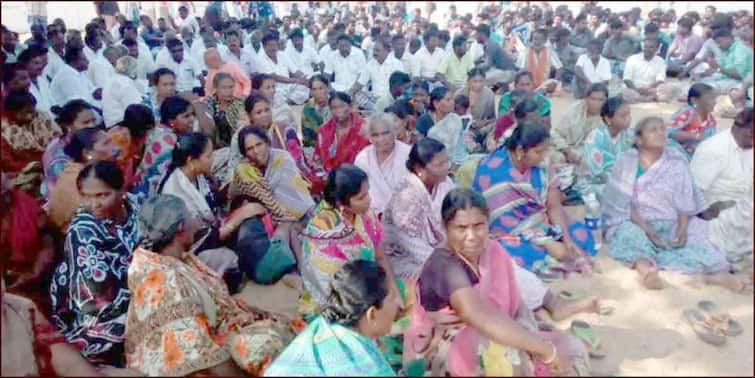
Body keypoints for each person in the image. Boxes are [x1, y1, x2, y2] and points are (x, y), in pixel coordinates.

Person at [403, 188, 590, 376]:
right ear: (446, 227)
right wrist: (545, 351)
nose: (471, 236)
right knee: (500, 357)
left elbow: (514, 305)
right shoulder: (443, 264)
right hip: (446, 347)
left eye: (478, 226)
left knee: (572, 348)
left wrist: (530, 337)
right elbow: (477, 315)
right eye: (461, 228)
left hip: (494, 330)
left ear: (487, 222)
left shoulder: (492, 251)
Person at [124, 194, 297, 376]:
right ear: (181, 228)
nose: (196, 223)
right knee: (265, 346)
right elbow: (200, 352)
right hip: (199, 366)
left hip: (216, 334)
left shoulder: (163, 259)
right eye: (191, 218)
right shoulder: (168, 282)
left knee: (275, 326)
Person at [602, 116, 748, 292]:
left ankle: (713, 276)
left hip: (671, 221)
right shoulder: (626, 162)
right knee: (628, 235)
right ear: (639, 139)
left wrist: (682, 228)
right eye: (653, 130)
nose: (660, 133)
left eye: (662, 129)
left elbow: (684, 199)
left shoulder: (676, 160)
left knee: (702, 235)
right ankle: (647, 271)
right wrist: (648, 230)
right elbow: (623, 204)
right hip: (637, 221)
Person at [473, 122, 596, 278]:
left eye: (545, 151)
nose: (544, 156)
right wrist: (544, 241)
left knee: (579, 237)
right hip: (507, 233)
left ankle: (561, 255)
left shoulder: (542, 165)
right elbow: (496, 223)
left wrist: (566, 239)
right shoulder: (491, 171)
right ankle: (555, 258)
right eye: (539, 152)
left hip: (541, 221)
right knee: (507, 253)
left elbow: (553, 206)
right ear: (519, 151)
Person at [49, 161, 139, 367]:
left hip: (138, 287)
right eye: (86, 196)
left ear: (122, 190)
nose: (93, 204)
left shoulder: (134, 208)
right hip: (95, 310)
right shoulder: (82, 229)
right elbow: (93, 299)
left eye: (102, 195)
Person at [265, 260, 399, 376]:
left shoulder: (321, 328)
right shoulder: (370, 367)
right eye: (392, 298)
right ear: (372, 314)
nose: (398, 304)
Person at [300, 164, 399, 314]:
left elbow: (380, 257)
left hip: (366, 284)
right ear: (341, 204)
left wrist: (393, 291)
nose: (369, 200)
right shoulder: (324, 231)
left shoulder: (365, 215)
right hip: (339, 297)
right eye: (361, 197)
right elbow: (332, 287)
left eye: (367, 193)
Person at [229, 126, 315, 283]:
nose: (256, 151)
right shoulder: (245, 170)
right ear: (244, 153)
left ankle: (302, 273)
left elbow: (297, 196)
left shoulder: (282, 159)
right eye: (249, 148)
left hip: (291, 216)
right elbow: (258, 199)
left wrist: (287, 217)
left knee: (294, 229)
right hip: (259, 218)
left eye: (259, 144)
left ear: (267, 142)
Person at [691, 107, 753, 275]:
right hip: (720, 218)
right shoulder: (713, 149)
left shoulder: (749, 148)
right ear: (747, 132)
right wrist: (715, 210)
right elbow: (694, 194)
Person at [382, 137, 454, 279]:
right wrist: (450, 262)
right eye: (439, 164)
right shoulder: (406, 196)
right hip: (404, 260)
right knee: (450, 276)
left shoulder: (445, 183)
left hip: (439, 250)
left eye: (447, 161)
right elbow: (415, 248)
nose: (446, 167)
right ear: (419, 169)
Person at [48, 127, 119, 231]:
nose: (115, 147)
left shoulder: (83, 170)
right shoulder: (79, 179)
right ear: (87, 154)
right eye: (106, 143)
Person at [135, 96, 195, 198]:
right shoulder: (167, 142)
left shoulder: (163, 131)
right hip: (153, 196)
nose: (192, 119)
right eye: (186, 116)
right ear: (171, 120)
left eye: (192, 115)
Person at [1, 91, 61, 193]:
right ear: (12, 112)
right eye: (25, 113)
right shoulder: (4, 130)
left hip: (53, 163)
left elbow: (58, 141)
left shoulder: (42, 117)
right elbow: (7, 163)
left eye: (32, 112)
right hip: (22, 172)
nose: (30, 116)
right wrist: (32, 165)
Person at [354, 113, 412, 216]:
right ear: (369, 137)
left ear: (394, 133)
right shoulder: (363, 159)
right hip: (373, 217)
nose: (381, 139)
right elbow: (359, 194)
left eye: (385, 133)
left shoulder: (408, 154)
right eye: (375, 135)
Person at [583, 96, 634, 198]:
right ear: (608, 119)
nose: (628, 118)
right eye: (623, 116)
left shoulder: (627, 134)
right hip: (598, 183)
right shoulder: (596, 138)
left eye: (629, 114)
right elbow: (596, 174)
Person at [551, 83, 609, 168]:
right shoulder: (575, 110)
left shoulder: (609, 116)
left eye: (601, 100)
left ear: (606, 100)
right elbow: (556, 133)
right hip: (565, 148)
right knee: (555, 158)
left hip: (587, 153)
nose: (596, 103)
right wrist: (567, 151)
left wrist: (579, 157)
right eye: (593, 99)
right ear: (586, 99)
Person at [314, 92, 370, 171]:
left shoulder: (363, 128)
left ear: (350, 106)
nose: (339, 111)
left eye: (342, 106)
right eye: (334, 108)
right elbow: (318, 157)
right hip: (329, 175)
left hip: (358, 174)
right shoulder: (324, 130)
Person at [255, 31, 310, 105]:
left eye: (275, 45)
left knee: (305, 87)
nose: (273, 48)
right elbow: (275, 77)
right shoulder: (260, 59)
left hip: (289, 86)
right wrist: (296, 80)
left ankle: (288, 101)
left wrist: (305, 79)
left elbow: (295, 71)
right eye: (270, 45)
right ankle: (289, 101)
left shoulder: (283, 54)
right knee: (273, 96)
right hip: (274, 89)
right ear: (264, 46)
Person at [107, 104, 155, 189]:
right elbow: (118, 164)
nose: (148, 132)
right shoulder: (119, 136)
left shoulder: (138, 132)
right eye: (146, 129)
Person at [667, 83, 717, 159]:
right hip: (678, 150)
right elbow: (670, 133)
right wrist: (695, 136)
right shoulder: (687, 113)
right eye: (710, 98)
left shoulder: (711, 120)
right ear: (694, 100)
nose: (714, 102)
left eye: (714, 98)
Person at [206, 72, 250, 149]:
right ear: (215, 88)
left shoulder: (239, 104)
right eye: (224, 88)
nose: (229, 91)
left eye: (231, 87)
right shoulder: (209, 103)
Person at [621, 37, 668, 103]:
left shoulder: (660, 61)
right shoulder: (633, 59)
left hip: (650, 89)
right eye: (645, 47)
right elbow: (627, 79)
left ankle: (645, 99)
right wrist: (636, 90)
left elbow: (660, 80)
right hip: (633, 89)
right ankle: (646, 99)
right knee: (626, 93)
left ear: (657, 49)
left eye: (650, 47)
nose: (647, 49)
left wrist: (647, 88)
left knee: (669, 90)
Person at [102, 56, 144, 128]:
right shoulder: (125, 82)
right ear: (132, 69)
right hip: (121, 124)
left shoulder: (113, 79)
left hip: (111, 123)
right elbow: (135, 107)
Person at [456, 68, 496, 134]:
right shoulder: (459, 94)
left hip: (481, 129)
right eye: (475, 81)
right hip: (461, 128)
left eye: (481, 81)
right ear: (468, 81)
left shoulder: (489, 94)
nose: (478, 85)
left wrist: (484, 122)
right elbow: (453, 116)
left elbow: (493, 118)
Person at [17, 45, 53, 113]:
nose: (40, 66)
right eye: (36, 63)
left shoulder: (42, 81)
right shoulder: (20, 86)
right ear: (25, 64)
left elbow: (52, 103)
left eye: (40, 63)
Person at [300, 74, 332, 148]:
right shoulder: (308, 107)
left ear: (327, 88)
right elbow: (307, 137)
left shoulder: (335, 104)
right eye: (314, 89)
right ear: (311, 92)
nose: (318, 92)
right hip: (313, 147)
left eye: (321, 88)